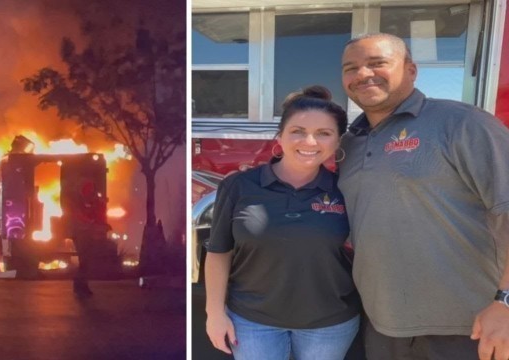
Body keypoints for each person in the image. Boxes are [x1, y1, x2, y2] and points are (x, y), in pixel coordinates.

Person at [338, 33, 509, 360]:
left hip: (467, 329)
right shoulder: (350, 144)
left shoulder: (463, 124)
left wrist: (505, 302)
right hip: (381, 326)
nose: (362, 74)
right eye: (351, 68)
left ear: (411, 70)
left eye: (377, 64)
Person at [205, 86, 361, 360]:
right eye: (297, 131)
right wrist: (214, 314)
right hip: (252, 322)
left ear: (337, 142)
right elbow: (218, 252)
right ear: (280, 136)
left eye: (324, 133)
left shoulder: (346, 189)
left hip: (330, 324)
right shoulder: (239, 186)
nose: (309, 142)